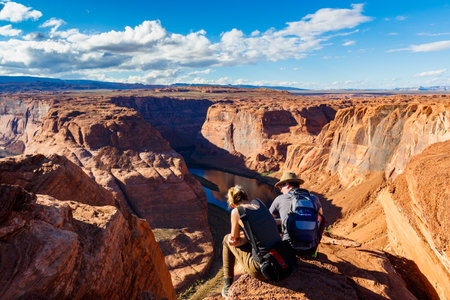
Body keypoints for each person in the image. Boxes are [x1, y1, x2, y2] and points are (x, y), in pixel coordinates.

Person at [222, 185, 281, 298]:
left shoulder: (236, 212)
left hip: (262, 268)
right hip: (279, 258)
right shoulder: (258, 202)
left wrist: (237, 240)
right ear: (247, 196)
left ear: (233, 204)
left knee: (226, 239)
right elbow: (264, 227)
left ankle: (227, 285)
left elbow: (234, 240)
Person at [269, 171, 326, 256]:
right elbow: (320, 216)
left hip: (288, 248)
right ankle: (313, 249)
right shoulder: (314, 198)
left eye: (281, 187)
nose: (280, 190)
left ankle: (277, 248)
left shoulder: (280, 199)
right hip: (309, 248)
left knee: (271, 222)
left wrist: (282, 221)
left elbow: (267, 219)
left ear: (287, 185)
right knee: (323, 219)